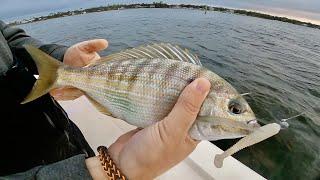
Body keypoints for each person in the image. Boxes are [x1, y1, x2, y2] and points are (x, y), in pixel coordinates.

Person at [0, 20, 211, 179]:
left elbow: (10, 38)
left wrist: (61, 57)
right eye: (234, 109)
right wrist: (108, 170)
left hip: (57, 127)